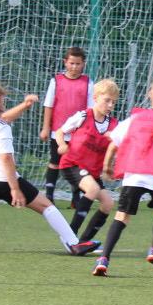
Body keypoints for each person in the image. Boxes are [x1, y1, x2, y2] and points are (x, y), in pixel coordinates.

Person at [0, 84, 100, 256]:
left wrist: (25, 105)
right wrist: (14, 189)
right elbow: (6, 158)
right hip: (2, 181)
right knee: (46, 206)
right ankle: (73, 243)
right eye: (0, 99)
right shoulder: (2, 128)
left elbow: (4, 117)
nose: (4, 100)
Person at [91, 75, 153, 277]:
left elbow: (113, 143)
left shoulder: (134, 118)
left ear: (150, 94)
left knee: (122, 216)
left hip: (133, 174)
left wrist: (107, 165)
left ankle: (104, 259)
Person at [52, 78, 120, 246]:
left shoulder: (114, 125)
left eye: (113, 102)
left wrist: (111, 166)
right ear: (95, 98)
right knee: (93, 189)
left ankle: (84, 241)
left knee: (108, 203)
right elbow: (60, 132)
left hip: (92, 172)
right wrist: (62, 145)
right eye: (107, 100)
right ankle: (70, 237)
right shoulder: (82, 116)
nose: (110, 105)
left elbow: (117, 148)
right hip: (72, 164)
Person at [38, 47, 93, 204]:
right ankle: (49, 195)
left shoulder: (88, 83)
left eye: (78, 64)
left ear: (83, 64)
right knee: (55, 162)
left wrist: (88, 130)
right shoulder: (56, 81)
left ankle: (76, 197)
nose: (74, 67)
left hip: (79, 133)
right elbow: (48, 105)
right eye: (71, 63)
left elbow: (91, 109)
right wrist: (46, 128)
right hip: (58, 132)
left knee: (77, 164)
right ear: (65, 62)